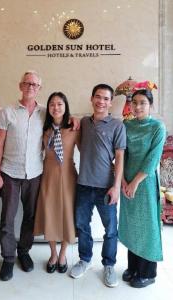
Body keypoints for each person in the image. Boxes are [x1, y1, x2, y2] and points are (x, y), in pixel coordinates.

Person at [70, 84, 126, 288]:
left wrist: (116, 186)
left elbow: (120, 157)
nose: (101, 101)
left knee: (111, 229)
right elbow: (79, 143)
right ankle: (84, 259)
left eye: (105, 98)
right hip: (83, 185)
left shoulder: (117, 125)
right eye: (97, 97)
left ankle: (109, 265)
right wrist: (73, 119)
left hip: (106, 188)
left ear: (111, 102)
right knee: (82, 227)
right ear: (91, 99)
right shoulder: (84, 122)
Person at [0, 71, 44, 281]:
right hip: (10, 173)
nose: (30, 86)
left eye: (34, 84)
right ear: (20, 86)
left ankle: (23, 251)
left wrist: (75, 120)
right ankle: (8, 258)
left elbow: (63, 117)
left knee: (30, 216)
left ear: (39, 88)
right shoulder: (7, 112)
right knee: (7, 218)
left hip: (35, 173)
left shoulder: (44, 112)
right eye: (26, 83)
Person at [118, 89, 166, 288]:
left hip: (144, 184)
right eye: (134, 102)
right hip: (126, 181)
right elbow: (122, 154)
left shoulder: (157, 127)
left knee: (147, 227)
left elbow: (152, 159)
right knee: (131, 226)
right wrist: (122, 182)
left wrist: (134, 183)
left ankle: (148, 272)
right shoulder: (126, 125)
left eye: (143, 103)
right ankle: (134, 267)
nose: (137, 107)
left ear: (150, 105)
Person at [33, 92, 80, 274]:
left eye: (60, 104)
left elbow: (86, 149)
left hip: (68, 175)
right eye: (52, 104)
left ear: (66, 106)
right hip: (48, 176)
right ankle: (52, 253)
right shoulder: (43, 129)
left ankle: (63, 254)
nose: (56, 107)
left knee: (67, 215)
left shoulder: (75, 128)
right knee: (50, 214)